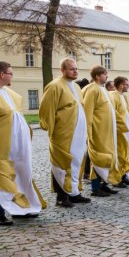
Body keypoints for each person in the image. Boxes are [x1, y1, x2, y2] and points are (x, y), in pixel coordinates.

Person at [0, 60, 46, 225]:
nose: (13, 76)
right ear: (2, 74)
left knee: (20, 176)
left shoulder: (9, 92)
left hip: (18, 147)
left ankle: (19, 208)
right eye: (11, 73)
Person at [39, 58, 91, 208]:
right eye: (71, 69)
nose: (75, 71)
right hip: (63, 132)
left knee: (76, 160)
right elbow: (46, 108)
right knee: (62, 162)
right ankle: (62, 196)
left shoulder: (75, 86)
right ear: (62, 70)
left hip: (78, 132)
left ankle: (73, 192)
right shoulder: (54, 86)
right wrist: (48, 127)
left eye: (76, 68)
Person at [81, 65, 121, 197]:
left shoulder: (102, 89)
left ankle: (104, 184)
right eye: (104, 74)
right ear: (97, 76)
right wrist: (88, 132)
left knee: (108, 157)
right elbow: (87, 111)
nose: (107, 76)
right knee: (98, 158)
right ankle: (95, 187)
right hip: (98, 131)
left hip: (107, 131)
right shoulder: (92, 90)